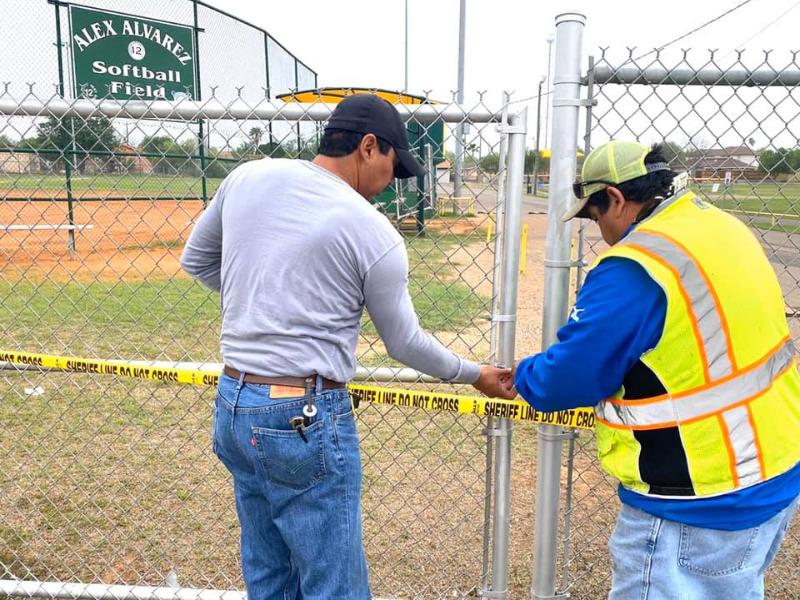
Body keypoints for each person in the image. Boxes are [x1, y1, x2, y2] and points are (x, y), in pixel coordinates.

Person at [181, 93, 515, 600]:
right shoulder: (371, 231)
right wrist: (474, 374)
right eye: (392, 165)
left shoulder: (248, 177)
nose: (390, 183)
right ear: (367, 147)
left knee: (268, 571)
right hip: (302, 415)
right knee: (334, 583)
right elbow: (404, 342)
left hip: (234, 402)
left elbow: (199, 262)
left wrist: (265, 299)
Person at [513, 141, 800, 599]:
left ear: (617, 197)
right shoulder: (719, 226)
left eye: (594, 213)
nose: (600, 229)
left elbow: (569, 378)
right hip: (775, 469)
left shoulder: (637, 267)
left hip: (694, 498)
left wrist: (520, 377)